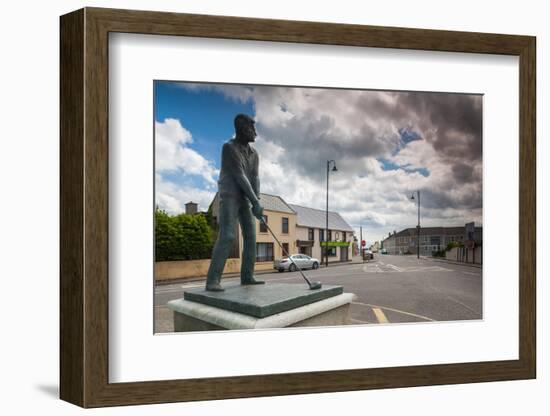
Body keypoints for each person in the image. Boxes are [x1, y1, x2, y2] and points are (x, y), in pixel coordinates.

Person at [205, 114, 265, 291]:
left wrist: (257, 200)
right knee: (228, 235)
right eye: (252, 129)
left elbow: (254, 177)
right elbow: (239, 175)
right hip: (230, 195)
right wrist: (254, 201)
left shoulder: (254, 154)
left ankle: (247, 276)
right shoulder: (229, 148)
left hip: (246, 197)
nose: (255, 133)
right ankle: (212, 281)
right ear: (242, 129)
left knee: (251, 236)